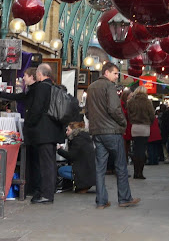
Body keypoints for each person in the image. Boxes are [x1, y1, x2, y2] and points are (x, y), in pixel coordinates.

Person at [0, 64, 65, 205]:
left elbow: (36, 109)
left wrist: (29, 124)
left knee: (46, 165)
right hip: (51, 131)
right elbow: (23, 97)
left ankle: (46, 195)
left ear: (39, 74)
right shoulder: (52, 87)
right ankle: (46, 192)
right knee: (48, 163)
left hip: (43, 132)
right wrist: (1, 94)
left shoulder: (42, 88)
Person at [86, 62, 140, 209]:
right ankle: (124, 198)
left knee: (100, 168)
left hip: (97, 132)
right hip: (112, 132)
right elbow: (114, 108)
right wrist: (123, 123)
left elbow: (87, 112)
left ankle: (101, 201)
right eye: (115, 73)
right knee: (121, 165)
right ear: (106, 73)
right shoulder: (109, 86)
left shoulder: (90, 87)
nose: (117, 76)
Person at [57, 121, 96, 193]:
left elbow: (71, 156)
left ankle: (83, 183)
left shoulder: (77, 140)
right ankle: (83, 184)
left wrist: (59, 150)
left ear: (74, 130)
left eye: (68, 130)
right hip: (89, 169)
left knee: (61, 170)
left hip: (84, 170)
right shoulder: (84, 137)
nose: (66, 132)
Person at [126, 86, 155, 179]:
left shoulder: (131, 102)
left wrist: (132, 120)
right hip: (145, 127)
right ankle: (140, 173)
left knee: (135, 149)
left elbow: (128, 114)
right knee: (142, 149)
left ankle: (135, 172)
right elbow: (152, 115)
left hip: (135, 127)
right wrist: (149, 122)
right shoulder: (148, 102)